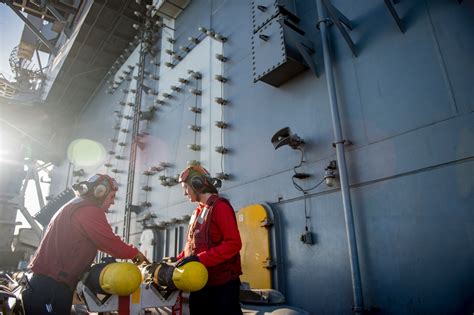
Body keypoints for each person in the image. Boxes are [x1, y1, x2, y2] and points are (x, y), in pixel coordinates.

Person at [22, 174, 148, 315]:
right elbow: (108, 241)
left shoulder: (75, 205)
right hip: (51, 288)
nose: (112, 203)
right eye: (112, 197)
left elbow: (97, 240)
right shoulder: (89, 209)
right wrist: (134, 254)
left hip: (45, 285)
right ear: (100, 193)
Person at [176, 165, 243, 315]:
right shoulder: (197, 211)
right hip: (200, 284)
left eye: (185, 187)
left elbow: (233, 244)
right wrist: (178, 260)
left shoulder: (220, 207)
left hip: (222, 287)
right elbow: (192, 245)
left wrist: (200, 260)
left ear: (197, 184)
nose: (184, 193)